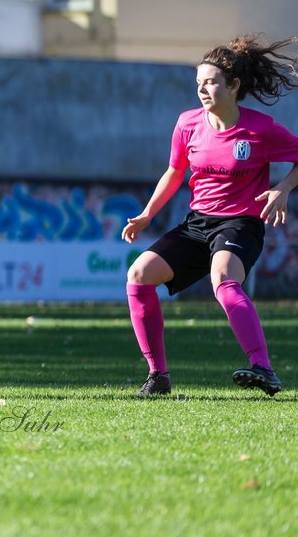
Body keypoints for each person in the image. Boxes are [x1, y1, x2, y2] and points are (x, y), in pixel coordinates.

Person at [123, 35, 298, 398]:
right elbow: (174, 173)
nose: (202, 90)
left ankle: (263, 368)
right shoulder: (188, 123)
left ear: (233, 86)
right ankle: (158, 377)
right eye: (198, 83)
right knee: (138, 275)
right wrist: (146, 214)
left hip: (241, 225)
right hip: (197, 223)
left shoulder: (260, 129)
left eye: (211, 82)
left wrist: (283, 189)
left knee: (223, 280)